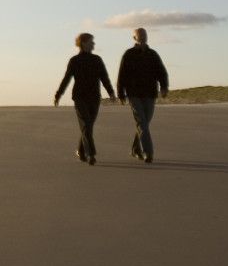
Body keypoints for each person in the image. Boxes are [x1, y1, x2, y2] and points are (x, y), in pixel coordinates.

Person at [54, 32, 116, 164]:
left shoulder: (97, 59)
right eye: (91, 41)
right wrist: (58, 94)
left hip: (94, 98)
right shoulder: (74, 61)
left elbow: (104, 77)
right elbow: (66, 79)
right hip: (80, 98)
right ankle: (91, 154)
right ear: (83, 43)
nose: (93, 44)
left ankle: (81, 151)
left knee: (88, 126)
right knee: (86, 125)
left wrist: (111, 92)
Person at [117, 27, 168, 164]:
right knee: (142, 123)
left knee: (144, 124)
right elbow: (122, 75)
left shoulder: (153, 54)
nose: (143, 36)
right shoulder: (128, 54)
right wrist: (121, 93)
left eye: (145, 34)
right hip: (134, 94)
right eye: (140, 35)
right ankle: (148, 152)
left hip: (150, 94)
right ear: (134, 38)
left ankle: (135, 149)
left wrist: (164, 87)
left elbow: (161, 72)